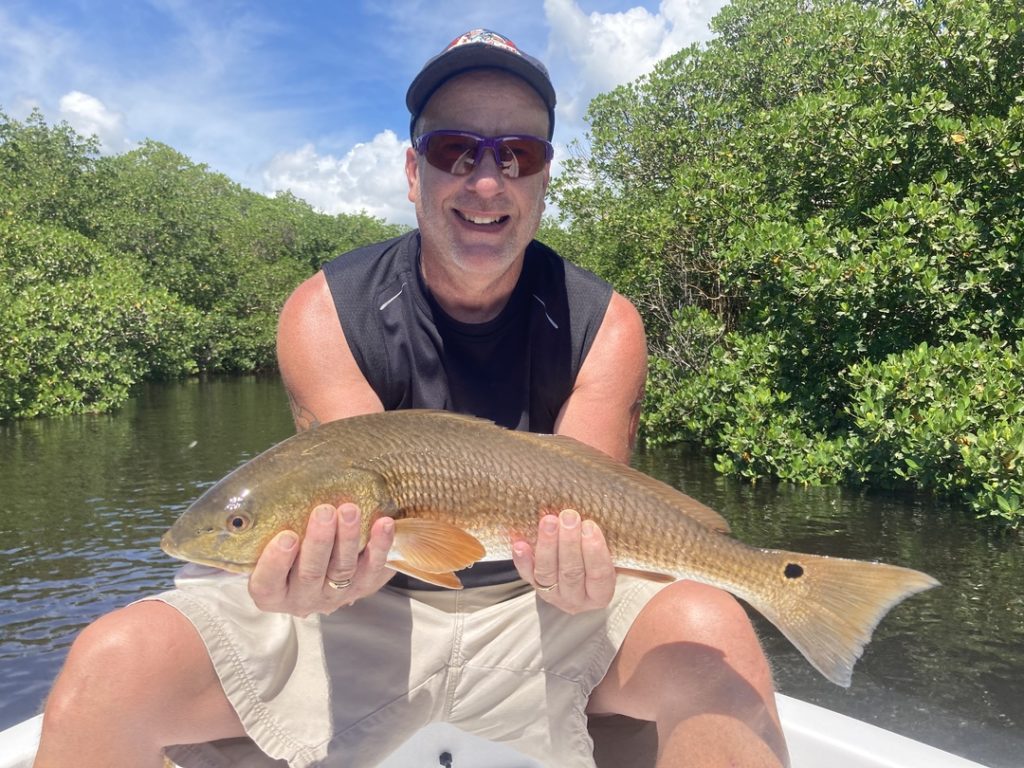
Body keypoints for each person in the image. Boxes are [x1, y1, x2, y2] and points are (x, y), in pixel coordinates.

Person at [34, 29, 788, 768]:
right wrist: (321, 573)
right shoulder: (323, 312)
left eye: (517, 154)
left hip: (548, 610)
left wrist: (583, 569)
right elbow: (364, 503)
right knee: (110, 666)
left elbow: (592, 505)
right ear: (410, 169)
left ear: (545, 177)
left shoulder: (606, 325)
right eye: (453, 150)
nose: (486, 181)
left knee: (714, 636)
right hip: (364, 609)